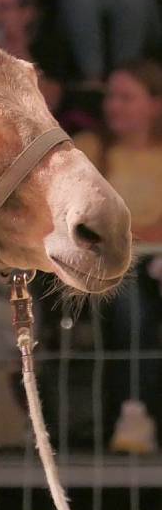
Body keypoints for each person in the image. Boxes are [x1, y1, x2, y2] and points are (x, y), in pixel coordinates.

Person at [75, 60, 162, 451]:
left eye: (126, 97)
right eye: (111, 96)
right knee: (129, 304)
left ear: (155, 105)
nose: (114, 105)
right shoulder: (89, 149)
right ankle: (133, 410)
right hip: (109, 267)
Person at [0, 0, 71, 113]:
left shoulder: (48, 48)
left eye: (2, 8)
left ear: (27, 12)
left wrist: (17, 50)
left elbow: (49, 103)